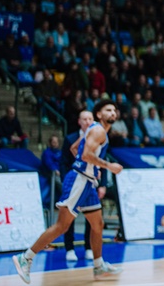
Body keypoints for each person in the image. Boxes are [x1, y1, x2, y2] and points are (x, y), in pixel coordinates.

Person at [13, 100, 124, 283]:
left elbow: (75, 149)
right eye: (108, 110)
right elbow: (86, 155)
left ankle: (98, 266)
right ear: (99, 114)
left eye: (114, 110)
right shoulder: (98, 131)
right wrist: (107, 166)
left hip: (87, 181)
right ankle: (25, 257)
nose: (113, 112)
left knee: (97, 224)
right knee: (62, 226)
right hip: (79, 180)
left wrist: (92, 168)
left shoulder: (94, 130)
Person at [61, 111, 98, 262]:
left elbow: (101, 161)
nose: (87, 121)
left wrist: (101, 184)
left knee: (91, 216)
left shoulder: (97, 138)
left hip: (90, 182)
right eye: (84, 119)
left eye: (90, 119)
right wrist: (65, 182)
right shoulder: (70, 139)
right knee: (69, 216)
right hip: (74, 182)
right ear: (79, 121)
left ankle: (89, 247)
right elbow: (63, 162)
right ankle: (69, 249)